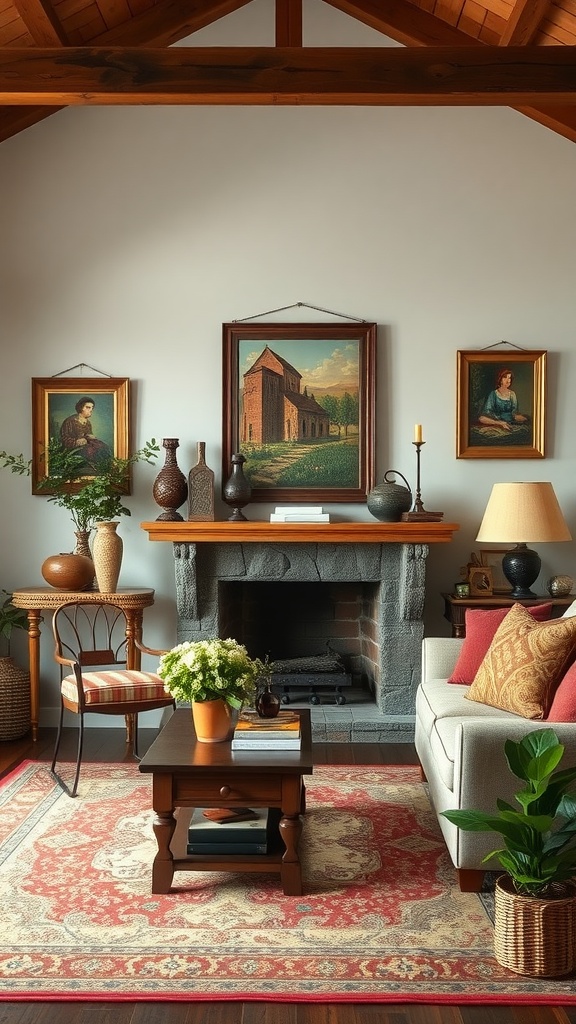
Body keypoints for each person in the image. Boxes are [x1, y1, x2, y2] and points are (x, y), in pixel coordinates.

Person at [59, 397, 111, 470]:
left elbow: (87, 436)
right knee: (91, 450)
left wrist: (89, 436)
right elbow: (64, 438)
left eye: (92, 408)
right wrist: (76, 442)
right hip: (73, 449)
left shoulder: (88, 423)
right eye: (88, 407)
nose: (91, 410)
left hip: (85, 446)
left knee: (103, 446)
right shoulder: (70, 421)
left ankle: (103, 469)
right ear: (81, 408)